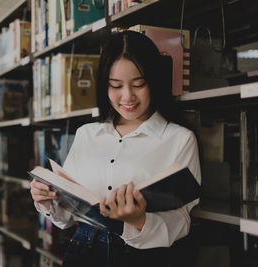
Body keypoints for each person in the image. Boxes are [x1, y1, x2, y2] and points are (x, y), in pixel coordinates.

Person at [30, 30, 201, 267]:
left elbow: (182, 221)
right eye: (116, 85)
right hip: (83, 250)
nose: (127, 96)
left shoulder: (179, 139)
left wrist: (139, 220)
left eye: (138, 84)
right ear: (104, 85)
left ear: (153, 81)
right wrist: (48, 202)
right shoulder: (87, 134)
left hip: (143, 258)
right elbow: (68, 216)